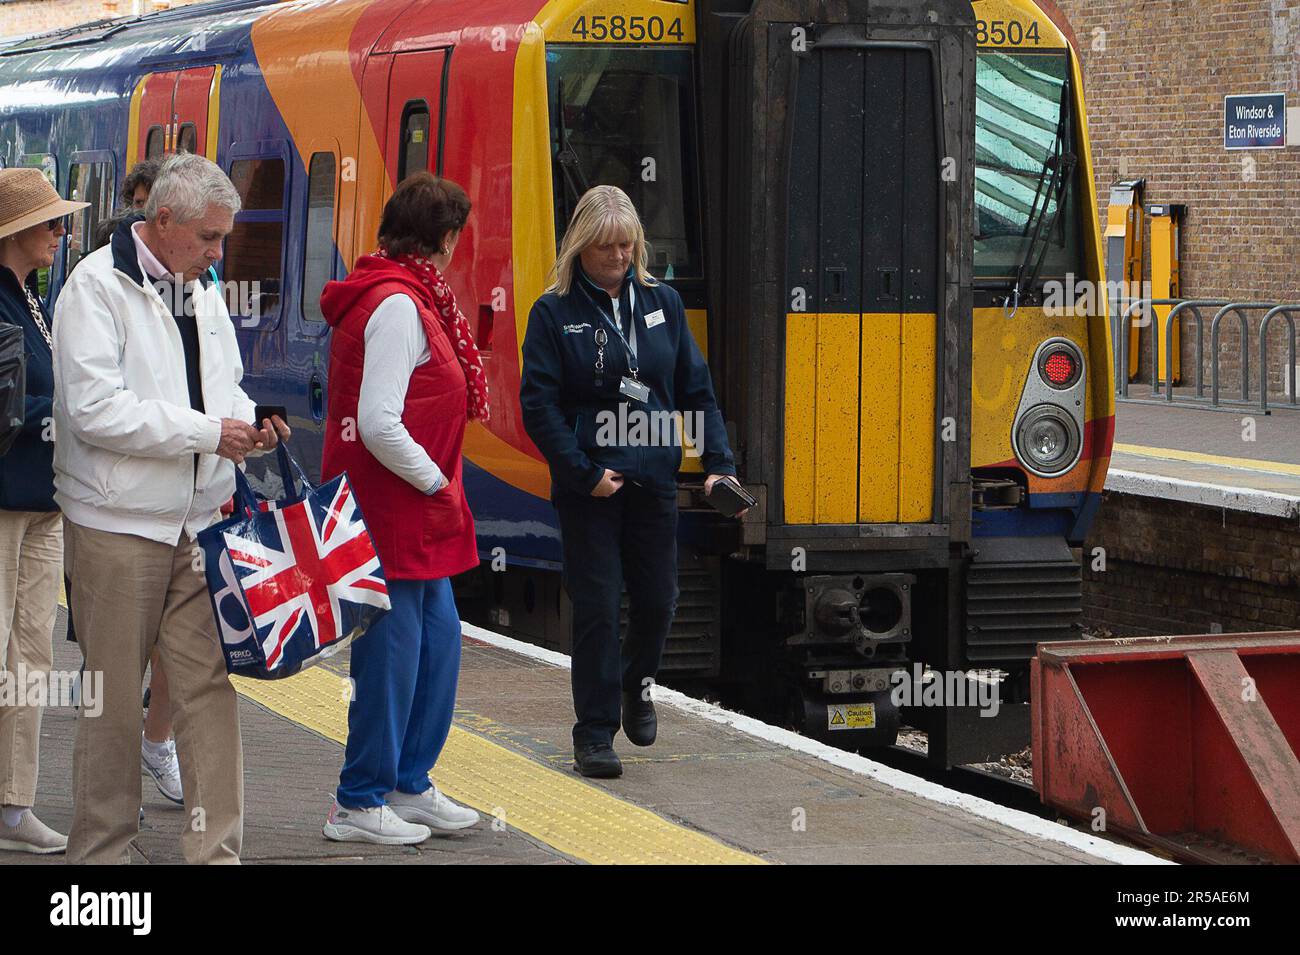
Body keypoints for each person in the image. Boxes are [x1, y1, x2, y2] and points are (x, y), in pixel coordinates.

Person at [52, 152, 288, 864]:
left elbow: (224, 384)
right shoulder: (95, 289)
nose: (220, 253)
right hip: (118, 526)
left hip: (201, 524)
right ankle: (103, 855)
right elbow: (96, 412)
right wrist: (207, 432)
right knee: (114, 699)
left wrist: (249, 421)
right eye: (209, 237)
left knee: (208, 691)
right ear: (162, 221)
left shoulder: (199, 286)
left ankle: (215, 852)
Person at [520, 185, 743, 779]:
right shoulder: (554, 312)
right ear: (579, 247)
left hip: (653, 481)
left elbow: (696, 390)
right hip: (590, 488)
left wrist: (719, 463)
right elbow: (538, 406)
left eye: (625, 246)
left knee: (658, 601)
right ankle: (594, 734)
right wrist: (583, 473)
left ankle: (637, 685)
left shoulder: (663, 303)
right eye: (603, 248)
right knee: (596, 607)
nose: (616, 258)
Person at [319, 172, 484, 844]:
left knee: (436, 646)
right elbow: (379, 421)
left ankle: (409, 783)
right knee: (390, 658)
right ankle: (357, 799)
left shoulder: (414, 296)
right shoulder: (395, 305)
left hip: (414, 512)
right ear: (444, 238)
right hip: (396, 508)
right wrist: (435, 481)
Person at [0, 168, 87, 854]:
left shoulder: (30, 299)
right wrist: (62, 417)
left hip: (40, 500)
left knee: (31, 653)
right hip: (4, 499)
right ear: (16, 232)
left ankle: (13, 801)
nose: (63, 233)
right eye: (53, 224)